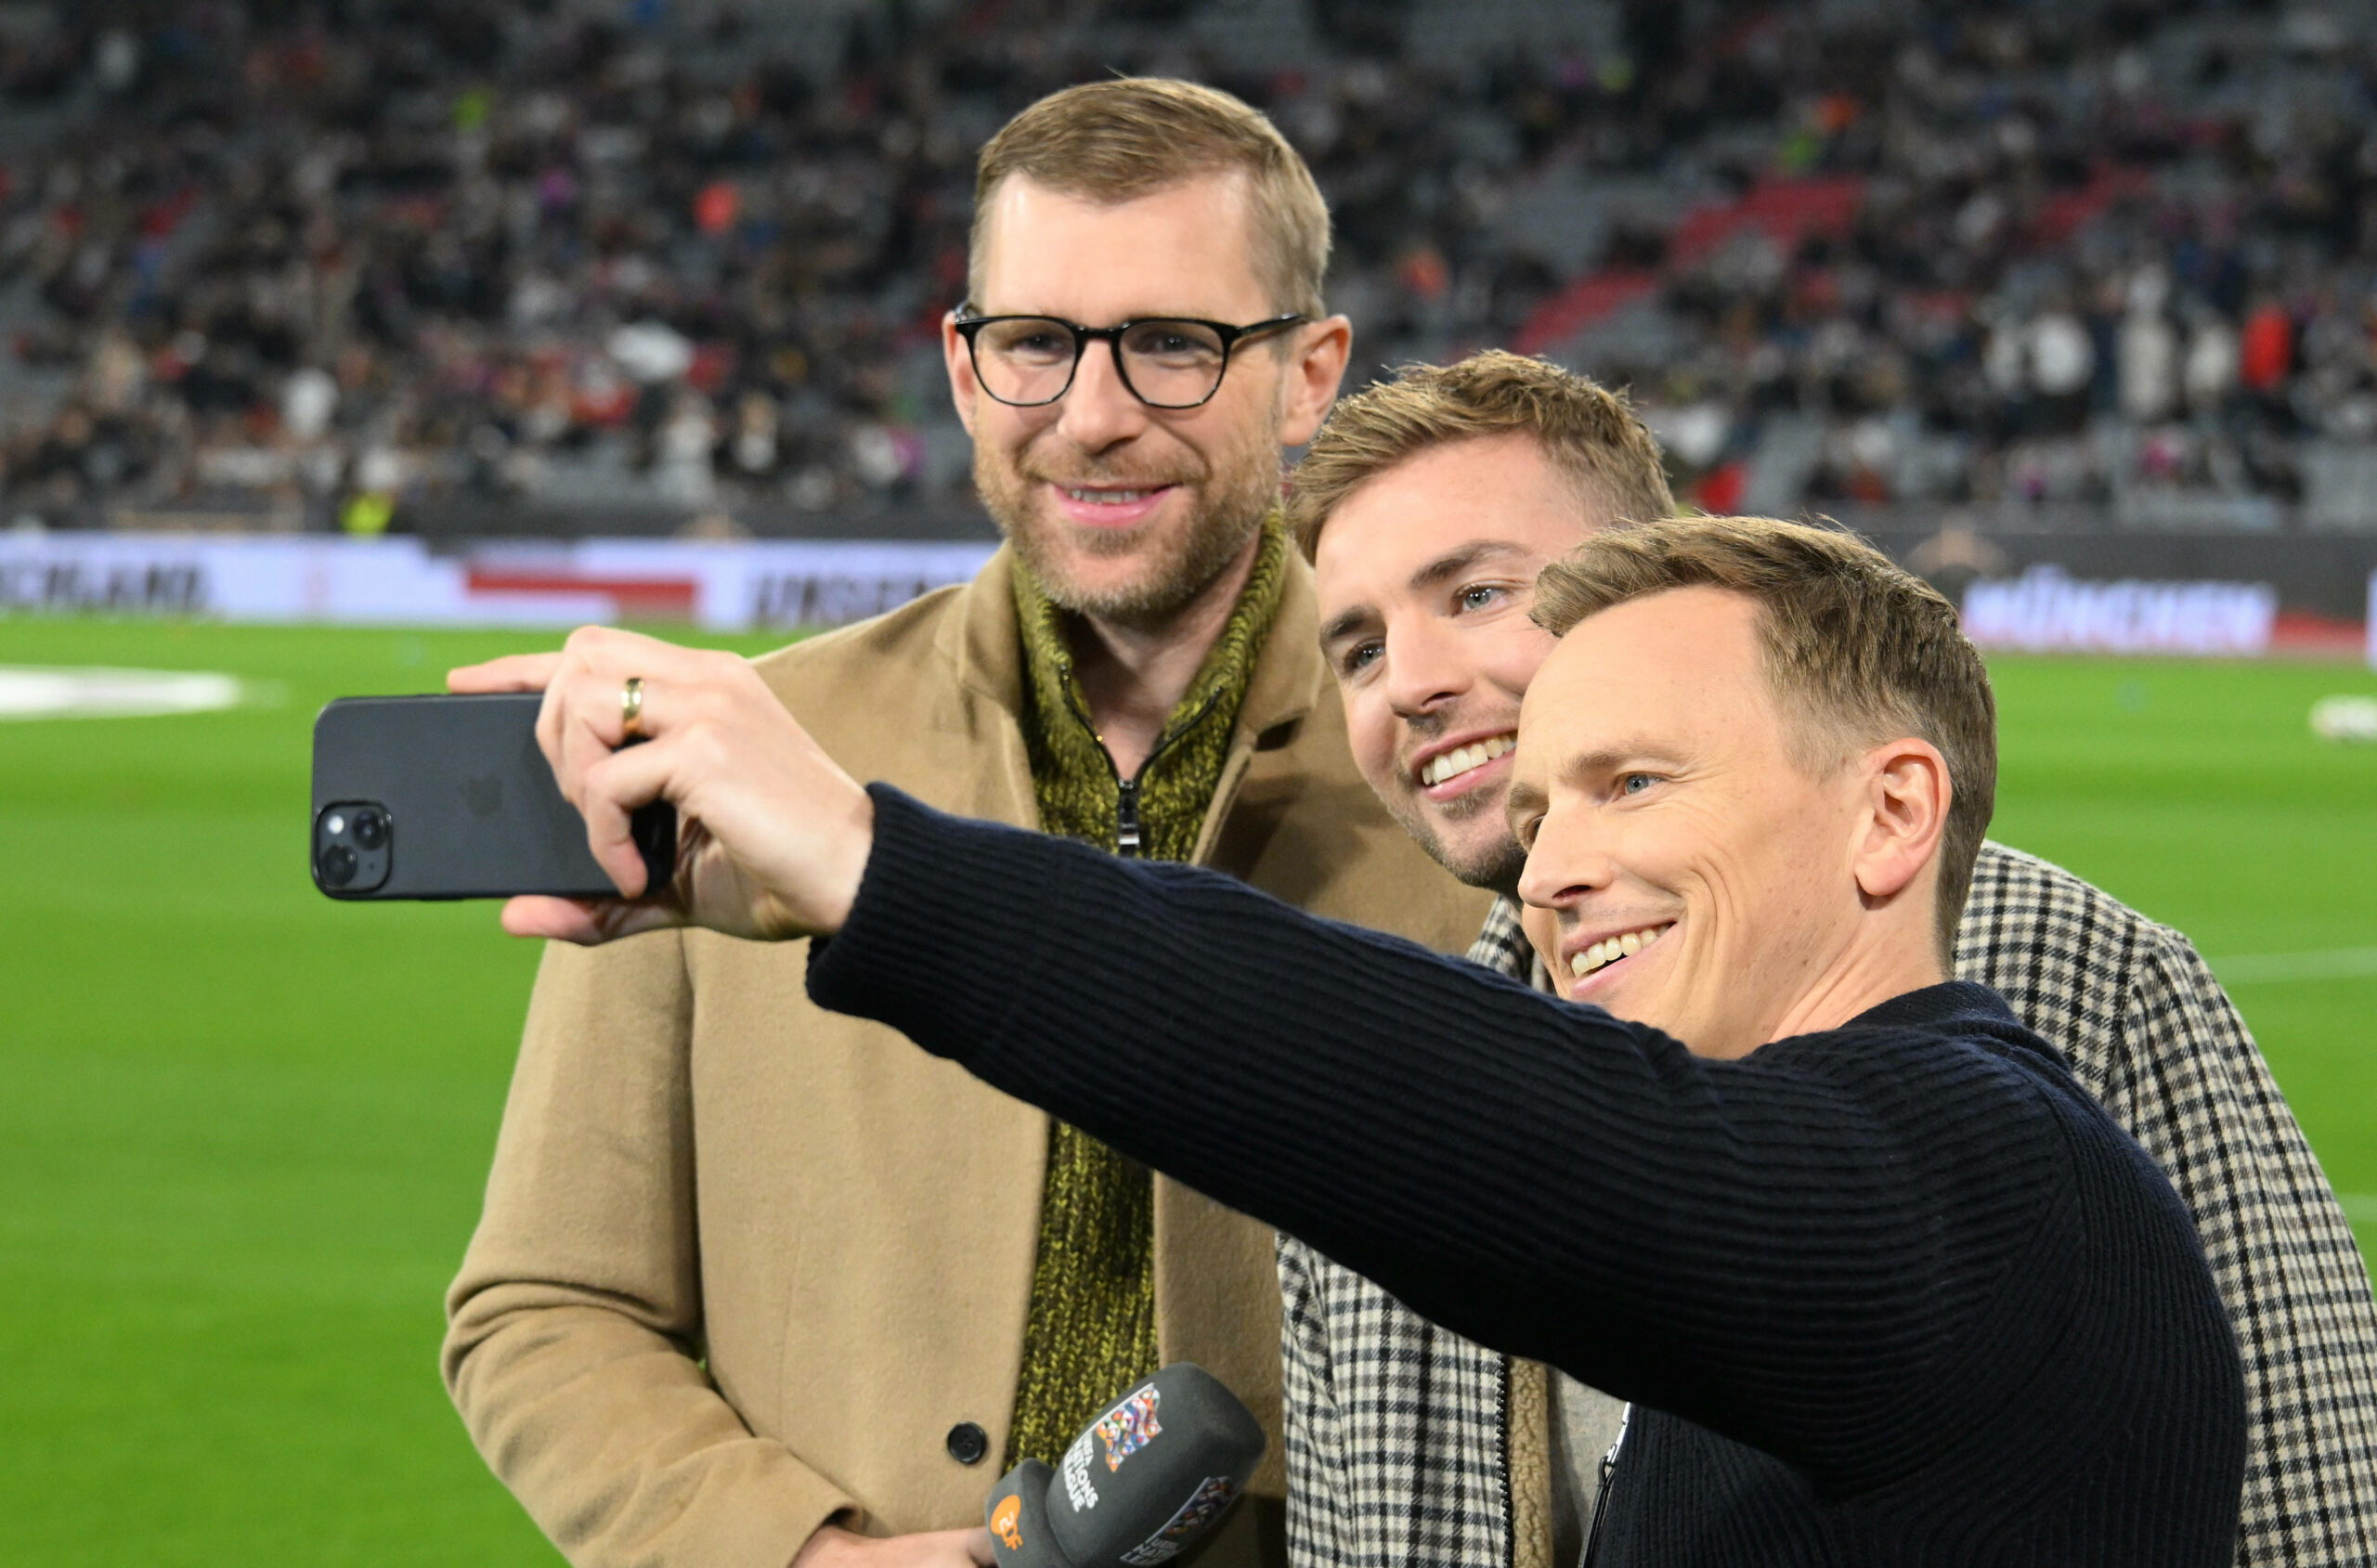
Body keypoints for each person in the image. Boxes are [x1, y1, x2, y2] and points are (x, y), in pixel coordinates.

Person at [451, 513, 2249, 1566]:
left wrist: (868, 862)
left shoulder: (1992, 1180)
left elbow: (1471, 1107)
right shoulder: (1816, 1254)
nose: (1555, 863)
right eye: (1537, 805)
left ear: (1889, 815)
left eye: (1633, 780)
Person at [438, 79, 1487, 1568]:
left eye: (1176, 345)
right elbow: (547, 1303)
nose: (1096, 415)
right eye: (1037, 344)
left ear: (1313, 373)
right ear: (961, 367)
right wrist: (802, 1557)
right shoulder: (726, 757)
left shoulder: (1475, 785)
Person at [1282, 351, 2377, 1568]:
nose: (1416, 681)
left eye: (1478, 594)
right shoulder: (1379, 1107)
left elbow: (2316, 1514)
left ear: (1666, 591)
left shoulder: (2075, 970)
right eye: (1361, 650)